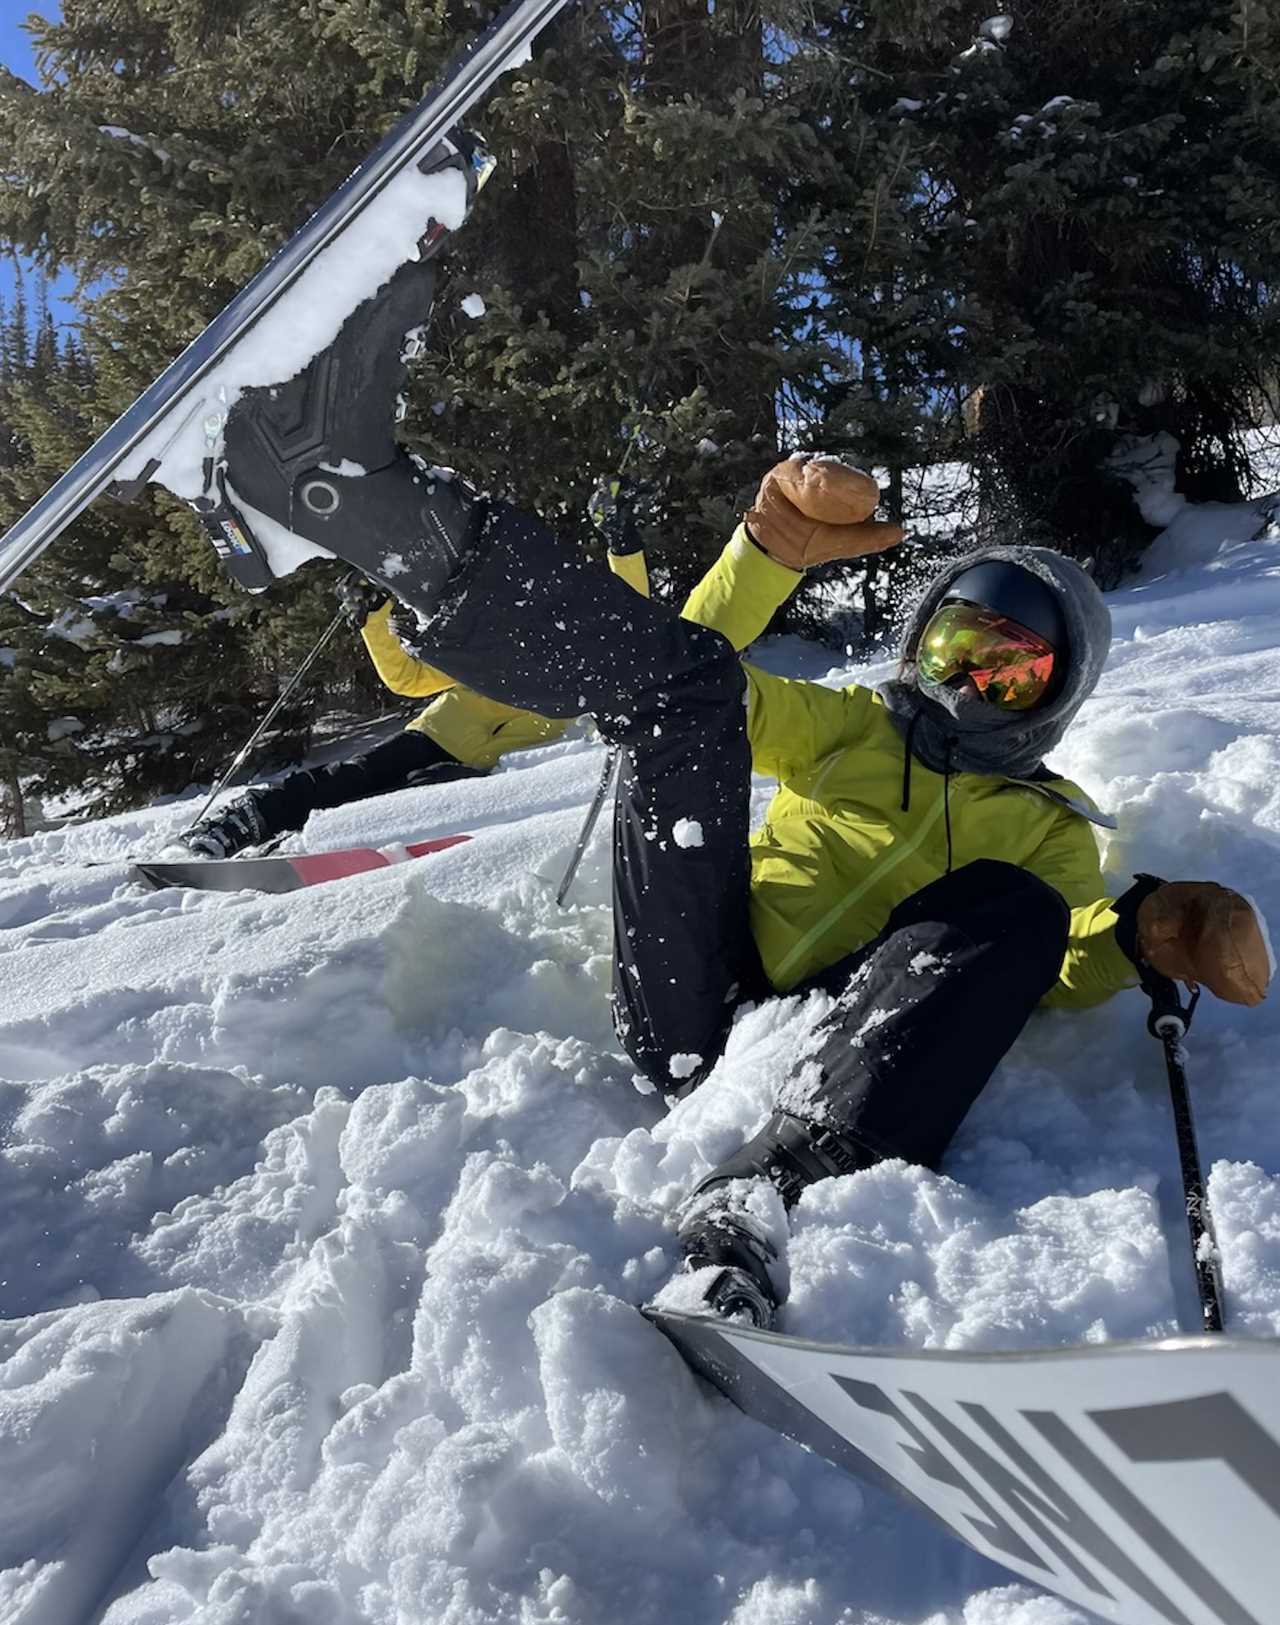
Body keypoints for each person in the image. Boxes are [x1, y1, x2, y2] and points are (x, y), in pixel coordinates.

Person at [213, 263, 1273, 1327]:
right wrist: (764, 557)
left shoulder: (1043, 825)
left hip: (841, 1044)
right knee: (687, 690)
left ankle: (764, 1196)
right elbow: (694, 680)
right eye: (957, 647)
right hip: (692, 990)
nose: (963, 684)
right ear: (920, 642)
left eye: (1004, 671)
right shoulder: (857, 728)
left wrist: (1148, 928)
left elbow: (1056, 955)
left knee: (1020, 908)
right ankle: (378, 513)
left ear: (1050, 700)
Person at [180, 484, 649, 859]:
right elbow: (408, 680)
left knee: (402, 799)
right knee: (351, 778)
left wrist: (623, 545)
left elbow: (631, 623)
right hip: (435, 735)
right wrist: (372, 621)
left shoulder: (588, 657)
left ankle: (307, 846)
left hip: (489, 772)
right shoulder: (499, 646)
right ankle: (243, 821)